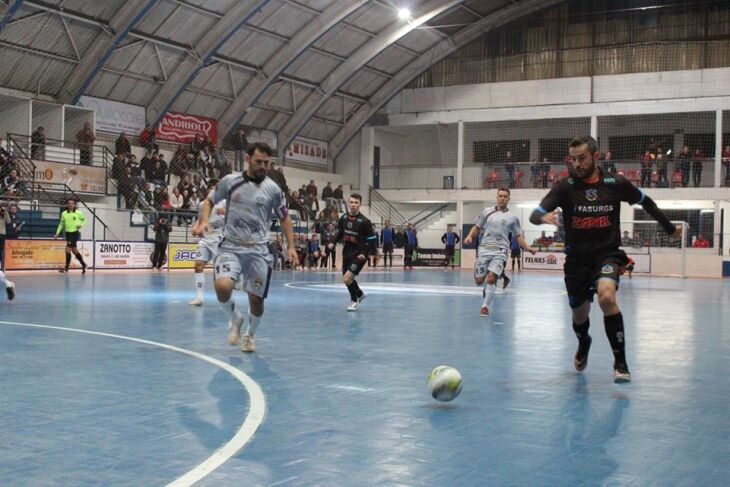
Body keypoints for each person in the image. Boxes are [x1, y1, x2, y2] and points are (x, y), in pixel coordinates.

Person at [530, 135, 681, 383]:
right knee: (579, 315)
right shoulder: (564, 187)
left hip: (607, 254)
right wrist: (542, 218)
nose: (577, 164)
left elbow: (647, 202)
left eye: (582, 158)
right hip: (577, 261)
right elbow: (536, 214)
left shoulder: (615, 183)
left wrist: (669, 228)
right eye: (573, 160)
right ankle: (583, 341)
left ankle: (620, 362)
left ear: (596, 157)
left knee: (607, 296)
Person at [193, 142, 297, 353]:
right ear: (248, 159)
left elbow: (285, 218)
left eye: (267, 162)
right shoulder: (230, 182)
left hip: (258, 251)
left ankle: (250, 335)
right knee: (222, 288)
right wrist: (203, 221)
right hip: (230, 246)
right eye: (259, 161)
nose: (264, 166)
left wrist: (291, 246)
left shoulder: (273, 189)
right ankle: (235, 319)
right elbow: (209, 201)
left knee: (256, 301)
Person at [464, 188, 536, 317]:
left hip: (501, 250)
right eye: (500, 196)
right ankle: (495, 275)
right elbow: (477, 227)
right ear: (496, 197)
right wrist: (470, 236)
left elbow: (518, 235)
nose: (502, 198)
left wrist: (527, 247)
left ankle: (485, 306)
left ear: (509, 199)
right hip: (485, 249)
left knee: (491, 278)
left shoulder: (513, 218)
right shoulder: (486, 212)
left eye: (505, 196)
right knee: (479, 281)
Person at [332, 194, 377, 311]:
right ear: (348, 203)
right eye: (351, 202)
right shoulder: (343, 218)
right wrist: (332, 242)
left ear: (360, 205)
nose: (353, 205)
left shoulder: (365, 222)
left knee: (347, 279)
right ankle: (360, 293)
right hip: (347, 252)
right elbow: (339, 232)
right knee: (347, 279)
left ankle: (354, 300)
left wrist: (364, 253)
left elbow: (371, 240)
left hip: (359, 254)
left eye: (356, 202)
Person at [189, 194, 225, 305]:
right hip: (205, 240)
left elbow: (236, 215)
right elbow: (200, 220)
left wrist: (225, 211)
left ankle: (227, 292)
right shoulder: (202, 204)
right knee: (198, 265)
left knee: (220, 271)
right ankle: (199, 297)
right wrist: (196, 228)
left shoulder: (224, 202)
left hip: (219, 239)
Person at [53, 198, 88, 274]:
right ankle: (84, 264)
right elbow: (61, 224)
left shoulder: (79, 213)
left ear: (75, 205)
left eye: (72, 203)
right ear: (67, 205)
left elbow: (85, 221)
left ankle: (66, 268)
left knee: (67, 249)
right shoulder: (64, 213)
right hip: (68, 234)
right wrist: (57, 233)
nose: (70, 204)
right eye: (69, 203)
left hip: (75, 233)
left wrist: (80, 225)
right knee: (74, 251)